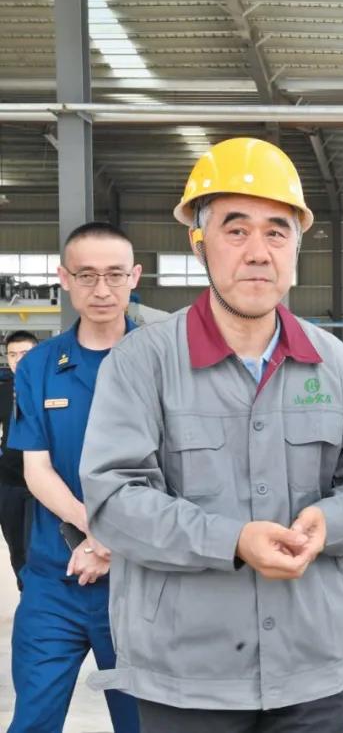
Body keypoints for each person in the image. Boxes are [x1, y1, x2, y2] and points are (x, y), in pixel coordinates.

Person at [79, 137, 343, 731]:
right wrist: (231, 540)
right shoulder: (142, 363)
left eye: (277, 232)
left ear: (297, 247)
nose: (258, 252)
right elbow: (114, 500)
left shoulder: (333, 364)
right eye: (236, 230)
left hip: (311, 668)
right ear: (198, 243)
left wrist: (329, 520)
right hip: (187, 675)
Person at [5, 222, 141, 733]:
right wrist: (97, 531)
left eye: (114, 275)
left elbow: (178, 472)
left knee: (144, 721)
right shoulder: (39, 366)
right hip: (55, 577)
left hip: (140, 581)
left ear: (134, 277)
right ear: (64, 279)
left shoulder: (164, 360)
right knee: (34, 718)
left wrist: (113, 544)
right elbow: (35, 469)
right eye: (86, 275)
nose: (101, 289)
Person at [1, 330, 38, 590]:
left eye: (25, 353)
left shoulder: (50, 388)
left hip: (43, 483)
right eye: (12, 355)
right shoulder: (3, 392)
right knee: (16, 547)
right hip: (9, 481)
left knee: (37, 546)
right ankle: (26, 593)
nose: (18, 360)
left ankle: (39, 596)